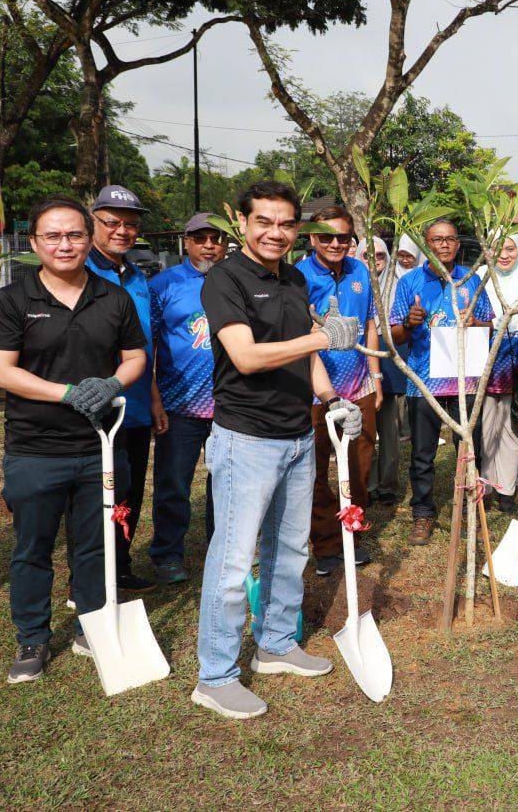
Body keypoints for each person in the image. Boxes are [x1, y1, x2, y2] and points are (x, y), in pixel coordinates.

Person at [194, 180, 363, 720]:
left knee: (290, 552)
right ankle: (215, 676)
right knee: (233, 560)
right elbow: (244, 356)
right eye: (263, 221)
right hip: (246, 440)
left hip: (297, 435)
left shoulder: (292, 278)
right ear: (242, 224)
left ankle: (275, 645)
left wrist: (333, 397)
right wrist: (321, 339)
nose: (275, 232)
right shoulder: (224, 279)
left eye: (286, 223)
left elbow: (305, 357)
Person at [0, 195, 148, 683]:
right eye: (52, 236)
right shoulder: (14, 300)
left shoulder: (112, 296)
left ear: (88, 237)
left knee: (96, 544)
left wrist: (114, 383)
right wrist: (69, 392)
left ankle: (91, 625)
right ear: (34, 242)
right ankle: (32, 637)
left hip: (99, 445)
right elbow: (1, 372)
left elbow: (135, 356)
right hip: (35, 449)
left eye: (75, 234)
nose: (65, 244)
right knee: (32, 547)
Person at [389, 220, 494, 545]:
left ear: (457, 245)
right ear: (427, 244)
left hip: (466, 381)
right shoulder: (410, 282)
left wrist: (476, 323)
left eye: (450, 239)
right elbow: (394, 333)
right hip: (424, 381)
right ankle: (422, 512)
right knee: (423, 453)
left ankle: (468, 509)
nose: (445, 245)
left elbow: (489, 325)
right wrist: (409, 322)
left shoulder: (470, 278)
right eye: (437, 239)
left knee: (470, 449)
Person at [296, 205, 382, 576]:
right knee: (313, 473)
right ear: (312, 238)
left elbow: (370, 323)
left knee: (358, 470)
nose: (335, 243)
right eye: (326, 236)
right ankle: (326, 545)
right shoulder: (297, 276)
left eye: (343, 237)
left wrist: (375, 378)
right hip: (313, 392)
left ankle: (353, 537)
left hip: (359, 386)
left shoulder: (361, 271)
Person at [146, 212, 225, 584]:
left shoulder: (234, 280)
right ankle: (167, 554)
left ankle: (221, 549)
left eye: (216, 238)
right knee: (173, 483)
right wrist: (155, 398)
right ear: (187, 242)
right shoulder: (164, 285)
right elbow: (149, 346)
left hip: (229, 405)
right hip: (179, 406)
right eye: (201, 238)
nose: (209, 245)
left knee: (224, 482)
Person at [85, 184, 156, 591]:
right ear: (93, 221)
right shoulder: (81, 270)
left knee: (130, 490)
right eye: (112, 222)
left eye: (130, 224)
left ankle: (121, 565)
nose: (122, 231)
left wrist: (156, 400)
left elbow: (149, 341)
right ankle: (92, 577)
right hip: (99, 403)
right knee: (99, 495)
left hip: (139, 404)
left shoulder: (138, 274)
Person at [476, 234, 518, 514]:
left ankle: (507, 489)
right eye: (496, 249)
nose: (504, 255)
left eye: (510, 248)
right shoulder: (480, 277)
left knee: (511, 428)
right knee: (487, 425)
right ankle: (485, 487)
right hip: (486, 357)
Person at [365, 238, 407, 506]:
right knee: (365, 430)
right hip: (362, 363)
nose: (375, 259)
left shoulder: (398, 283)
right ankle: (366, 484)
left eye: (380, 254)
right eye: (369, 254)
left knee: (390, 432)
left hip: (391, 362)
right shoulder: (353, 284)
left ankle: (387, 485)